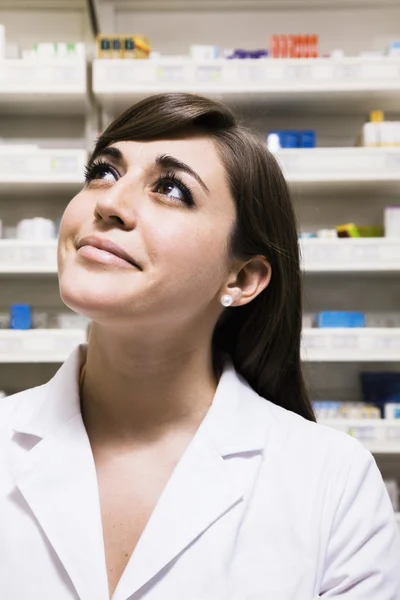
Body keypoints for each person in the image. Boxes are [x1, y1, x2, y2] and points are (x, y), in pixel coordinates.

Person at [0, 93, 399, 600]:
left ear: (242, 277)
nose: (109, 203)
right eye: (103, 171)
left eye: (171, 189)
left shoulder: (333, 483)